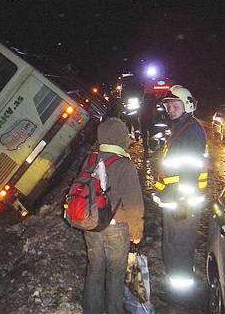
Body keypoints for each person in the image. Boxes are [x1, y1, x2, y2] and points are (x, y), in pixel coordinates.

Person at [82, 117, 145, 314]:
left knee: (95, 268)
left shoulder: (91, 159)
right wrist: (136, 231)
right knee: (116, 273)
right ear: (121, 138)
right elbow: (134, 203)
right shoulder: (125, 165)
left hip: (91, 223)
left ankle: (92, 309)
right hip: (116, 227)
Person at [152, 85, 208, 290]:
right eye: (168, 107)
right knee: (173, 243)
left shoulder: (191, 130)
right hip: (174, 199)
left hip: (183, 201)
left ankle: (181, 292)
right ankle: (174, 282)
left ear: (188, 105)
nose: (171, 110)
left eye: (176, 106)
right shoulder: (180, 127)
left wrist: (183, 199)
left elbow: (191, 168)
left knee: (180, 245)